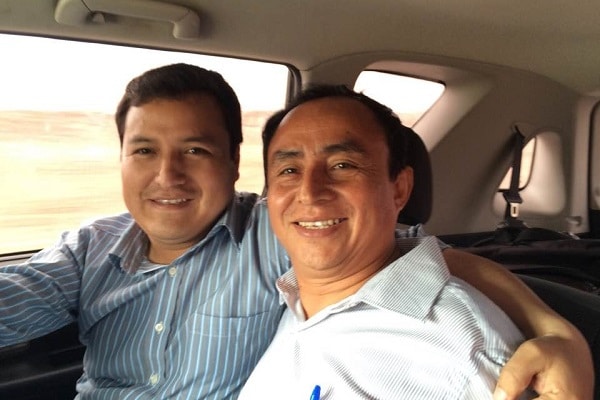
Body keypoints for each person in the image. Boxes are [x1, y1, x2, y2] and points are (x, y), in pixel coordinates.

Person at [0, 64, 592, 399]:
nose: (167, 176)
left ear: (233, 164)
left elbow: (409, 259)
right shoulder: (89, 247)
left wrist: (557, 332)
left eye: (196, 150)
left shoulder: (277, 230)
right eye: (144, 151)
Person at [239, 85, 594, 399]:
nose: (309, 192)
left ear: (400, 189)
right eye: (289, 170)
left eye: (343, 165)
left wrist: (561, 334)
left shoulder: (460, 356)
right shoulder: (297, 298)